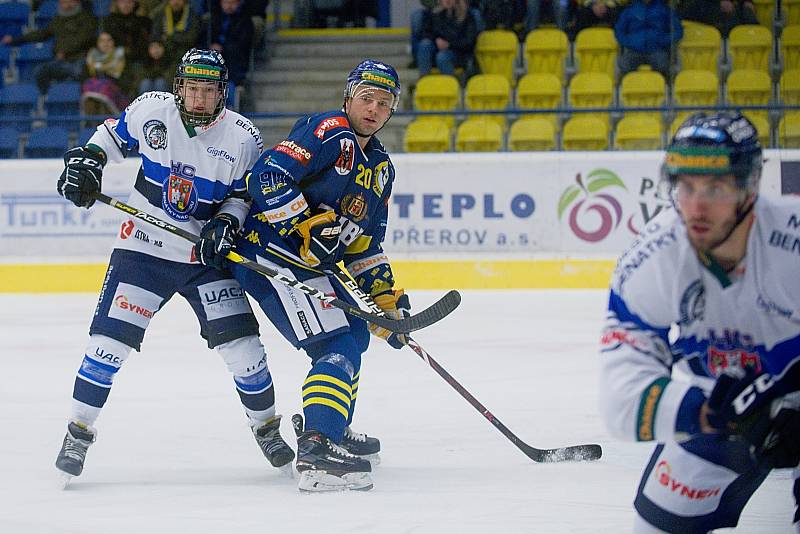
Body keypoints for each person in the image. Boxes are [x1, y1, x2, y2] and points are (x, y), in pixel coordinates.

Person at [54, 48, 295, 483]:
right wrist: (89, 160)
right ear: (178, 88)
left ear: (222, 92)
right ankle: (78, 432)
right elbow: (110, 136)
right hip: (143, 252)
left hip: (204, 259)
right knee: (106, 349)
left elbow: (243, 196)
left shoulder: (243, 137)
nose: (198, 99)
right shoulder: (151, 110)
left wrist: (225, 221)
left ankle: (266, 427)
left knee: (245, 353)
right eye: (191, 89)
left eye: (207, 91)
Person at [197, 59, 409, 492]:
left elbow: (363, 243)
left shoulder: (381, 168)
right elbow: (268, 175)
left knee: (357, 333)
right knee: (336, 342)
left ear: (392, 112)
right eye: (366, 98)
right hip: (268, 252)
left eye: (383, 103)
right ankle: (316, 446)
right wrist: (304, 222)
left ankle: (329, 421)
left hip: (305, 265)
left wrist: (385, 298)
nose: (373, 108)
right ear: (348, 97)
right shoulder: (330, 131)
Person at [599, 111, 800, 532]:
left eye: (715, 187)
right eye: (685, 187)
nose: (696, 205)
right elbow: (622, 394)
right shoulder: (653, 258)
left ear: (749, 186)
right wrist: (706, 413)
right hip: (723, 408)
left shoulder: (792, 243)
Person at [0, 0, 97, 93]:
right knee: (40, 72)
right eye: (63, 2)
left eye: (70, 1)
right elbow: (42, 34)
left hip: (80, 59)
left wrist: (64, 51)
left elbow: (83, 38)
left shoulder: (87, 18)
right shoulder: (58, 19)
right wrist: (16, 39)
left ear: (77, 2)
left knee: (81, 73)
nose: (67, 4)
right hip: (60, 61)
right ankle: (45, 99)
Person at [614, 0, 682, 79]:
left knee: (663, 66)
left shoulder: (665, 10)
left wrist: (663, 40)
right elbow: (619, 31)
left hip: (657, 50)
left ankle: (665, 89)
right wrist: (629, 41)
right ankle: (625, 89)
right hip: (633, 50)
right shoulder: (630, 10)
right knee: (624, 66)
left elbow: (678, 31)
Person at [416, 0, 480, 77]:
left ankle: (450, 84)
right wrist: (436, 40)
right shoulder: (435, 14)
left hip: (458, 53)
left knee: (442, 56)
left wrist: (449, 45)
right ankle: (423, 80)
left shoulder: (467, 16)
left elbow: (469, 42)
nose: (447, 0)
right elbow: (425, 33)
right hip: (437, 50)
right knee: (424, 45)